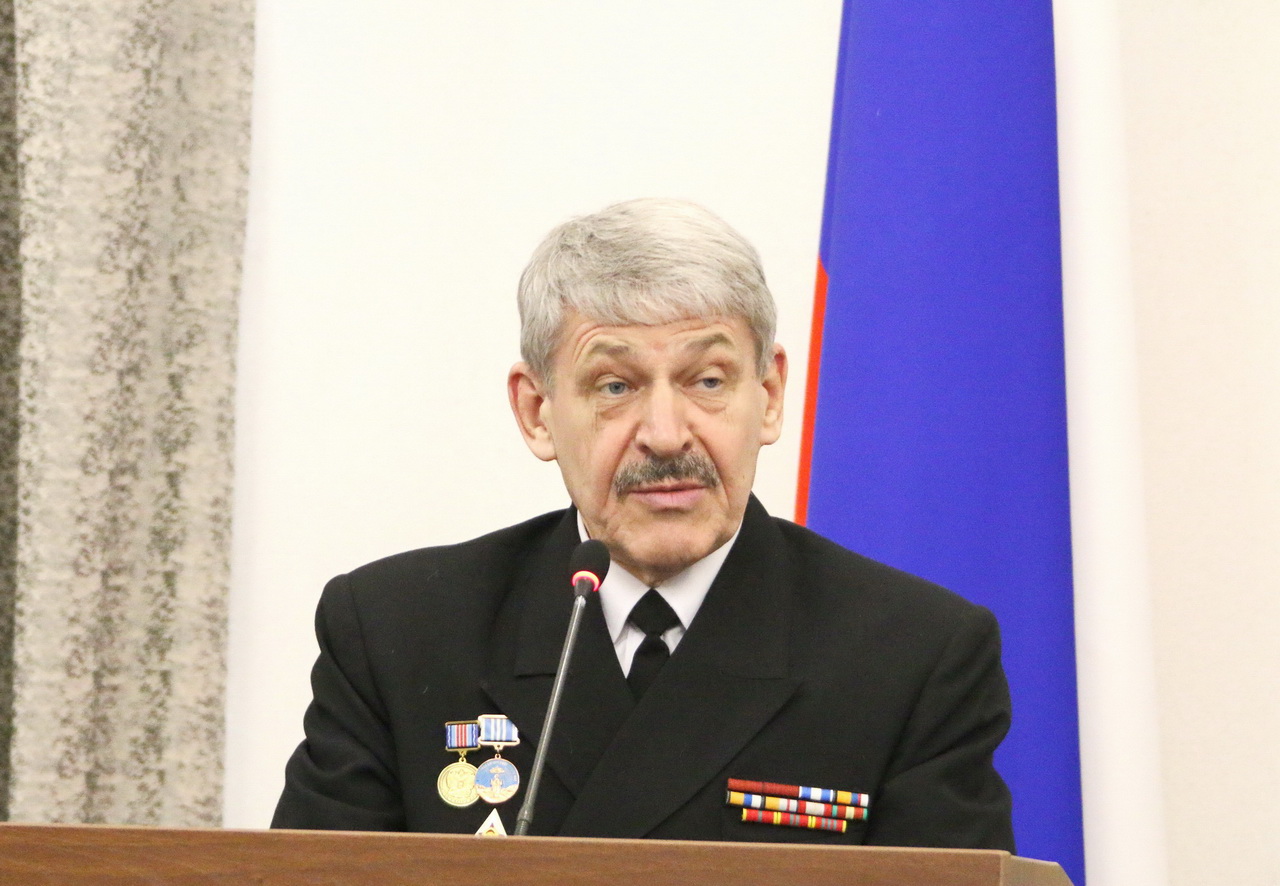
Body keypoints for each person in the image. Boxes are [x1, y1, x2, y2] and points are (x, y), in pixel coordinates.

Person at [272, 198, 1015, 849]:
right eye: (615, 385)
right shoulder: (398, 633)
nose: (665, 434)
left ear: (769, 396)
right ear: (537, 412)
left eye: (708, 380)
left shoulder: (914, 657)